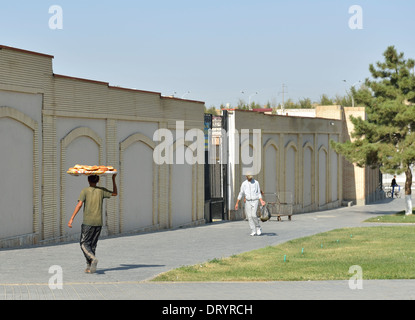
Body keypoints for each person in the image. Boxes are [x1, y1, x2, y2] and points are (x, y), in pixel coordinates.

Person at [68, 174, 118, 273]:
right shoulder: (101, 191)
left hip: (88, 222)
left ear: (88, 180)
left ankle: (92, 259)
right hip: (98, 223)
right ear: (98, 180)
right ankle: (90, 267)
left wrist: (72, 218)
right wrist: (113, 179)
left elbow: (79, 204)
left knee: (83, 244)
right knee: (92, 245)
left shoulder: (85, 191)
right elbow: (115, 193)